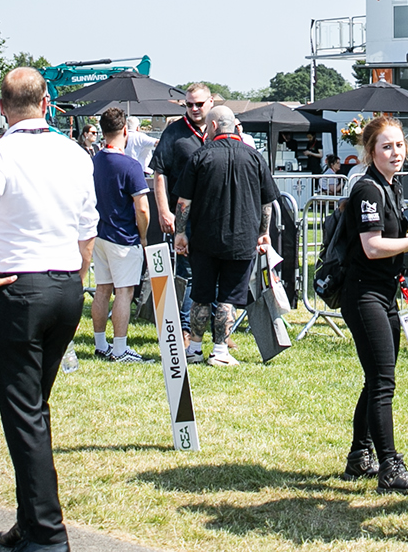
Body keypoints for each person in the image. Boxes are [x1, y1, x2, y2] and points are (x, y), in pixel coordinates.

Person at [0, 67, 97, 552]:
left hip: (20, 286)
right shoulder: (73, 151)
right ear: (46, 103)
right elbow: (88, 225)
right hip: (64, 283)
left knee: (26, 414)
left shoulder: (0, 151)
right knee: (34, 408)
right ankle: (31, 516)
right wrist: (76, 273)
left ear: (1, 108)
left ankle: (46, 532)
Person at [337, 113, 408, 494]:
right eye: (387, 147)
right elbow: (372, 246)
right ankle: (390, 469)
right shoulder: (368, 190)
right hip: (364, 295)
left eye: (400, 145)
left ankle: (359, 456)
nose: (396, 153)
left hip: (384, 293)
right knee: (383, 382)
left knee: (377, 377)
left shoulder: (390, 187)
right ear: (370, 152)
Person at [174, 105, 279, 367]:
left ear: (212, 126)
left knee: (201, 295)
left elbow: (183, 202)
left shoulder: (199, 156)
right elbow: (267, 202)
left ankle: (194, 349)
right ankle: (220, 350)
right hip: (242, 239)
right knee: (228, 298)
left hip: (204, 238)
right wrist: (263, 233)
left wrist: (180, 234)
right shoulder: (255, 157)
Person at [148, 84, 214, 336]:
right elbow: (160, 172)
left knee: (214, 270)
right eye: (189, 104)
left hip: (214, 213)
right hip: (184, 215)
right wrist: (164, 210)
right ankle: (185, 329)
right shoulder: (174, 132)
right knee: (186, 273)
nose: (194, 109)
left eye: (199, 104)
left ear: (211, 103)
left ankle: (218, 332)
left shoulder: (218, 130)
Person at [89, 108, 151, 364]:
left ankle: (101, 344)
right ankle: (120, 348)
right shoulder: (131, 165)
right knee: (124, 293)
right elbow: (143, 208)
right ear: (125, 131)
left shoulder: (92, 161)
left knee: (102, 290)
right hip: (124, 237)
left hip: (99, 234)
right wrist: (144, 236)